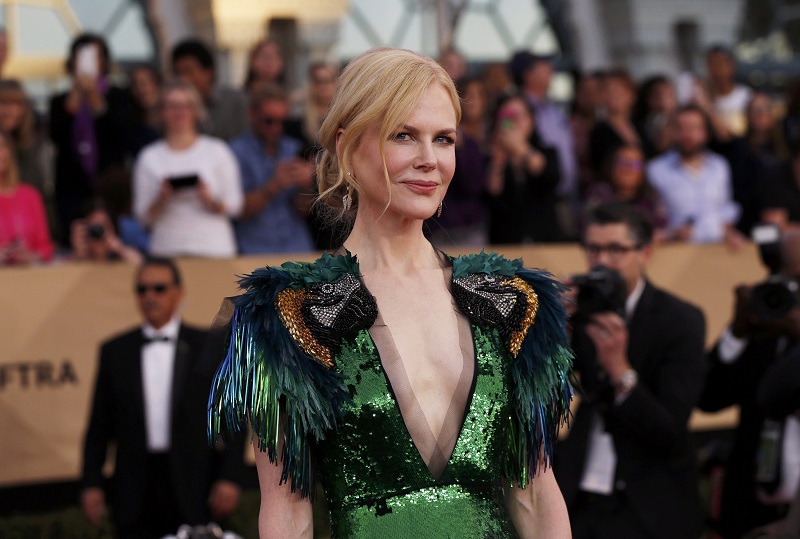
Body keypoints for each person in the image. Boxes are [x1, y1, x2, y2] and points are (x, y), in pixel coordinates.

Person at [209, 47, 573, 538]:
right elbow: (289, 512)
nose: (429, 160)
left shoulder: (510, 303)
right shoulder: (291, 314)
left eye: (443, 139)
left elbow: (535, 494)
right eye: (403, 135)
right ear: (346, 148)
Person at [555, 202, 707, 539]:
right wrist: (554, 331)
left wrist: (620, 371)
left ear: (645, 253)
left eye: (616, 250)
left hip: (648, 501)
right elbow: (545, 392)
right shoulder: (580, 308)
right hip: (579, 492)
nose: (602, 261)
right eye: (593, 249)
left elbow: (671, 430)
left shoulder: (680, 320)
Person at [81, 257, 245, 539]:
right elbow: (99, 425)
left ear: (178, 292)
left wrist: (229, 477)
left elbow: (233, 417)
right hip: (134, 487)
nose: (150, 296)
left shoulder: (208, 345)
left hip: (196, 483)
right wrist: (91, 482)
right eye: (142, 289)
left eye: (159, 288)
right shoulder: (115, 351)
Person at [699, 230, 800, 538]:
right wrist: (737, 333)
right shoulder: (764, 319)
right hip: (748, 504)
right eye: (784, 276)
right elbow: (708, 398)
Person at [132, 80, 243, 258]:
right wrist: (161, 199)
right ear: (161, 111)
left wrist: (209, 200)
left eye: (186, 106)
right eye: (172, 106)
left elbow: (235, 206)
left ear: (196, 110)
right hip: (166, 250)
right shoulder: (149, 157)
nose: (179, 112)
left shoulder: (218, 151)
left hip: (214, 250)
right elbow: (141, 216)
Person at [48, 33, 131, 241]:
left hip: (109, 184)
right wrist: (76, 95)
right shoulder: (59, 101)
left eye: (95, 56)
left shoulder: (118, 96)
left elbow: (116, 132)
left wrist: (93, 94)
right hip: (72, 187)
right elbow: (56, 135)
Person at [229, 83, 315, 254]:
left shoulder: (294, 148)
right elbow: (238, 210)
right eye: (269, 121)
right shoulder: (235, 152)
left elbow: (302, 211)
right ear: (252, 114)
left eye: (283, 122)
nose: (276, 128)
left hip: (297, 247)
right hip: (254, 250)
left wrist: (307, 186)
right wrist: (275, 185)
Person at [647, 104, 745, 247]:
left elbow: (725, 208)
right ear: (672, 131)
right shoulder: (656, 169)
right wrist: (670, 234)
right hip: (675, 251)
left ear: (705, 132)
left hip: (718, 249)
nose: (687, 134)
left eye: (694, 128)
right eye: (681, 128)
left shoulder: (719, 166)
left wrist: (729, 233)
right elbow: (652, 217)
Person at [509, 51, 578, 221]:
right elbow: (507, 138)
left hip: (565, 198)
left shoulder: (553, 109)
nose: (551, 70)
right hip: (534, 202)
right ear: (528, 75)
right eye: (544, 67)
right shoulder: (515, 108)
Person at [486, 94, 562, 244]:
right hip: (505, 242)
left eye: (518, 115)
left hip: (544, 240)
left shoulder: (547, 152)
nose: (514, 122)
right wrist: (498, 161)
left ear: (531, 121)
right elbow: (492, 195)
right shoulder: (491, 155)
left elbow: (550, 176)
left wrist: (521, 150)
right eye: (507, 116)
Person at [583, 144, 668, 239]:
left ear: (643, 171)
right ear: (611, 166)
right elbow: (589, 227)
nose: (627, 169)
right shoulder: (598, 194)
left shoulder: (651, 199)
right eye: (622, 163)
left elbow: (660, 230)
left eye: (634, 165)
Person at [171, 39, 248, 141]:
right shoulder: (171, 108)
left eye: (189, 71)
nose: (183, 79)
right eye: (178, 73)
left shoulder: (235, 102)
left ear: (209, 72)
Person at [0, 130, 53, 265]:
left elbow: (46, 247)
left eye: (2, 146)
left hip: (29, 273)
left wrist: (32, 256)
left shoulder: (30, 196)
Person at [589, 69, 640, 172]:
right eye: (610, 91)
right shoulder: (600, 131)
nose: (615, 96)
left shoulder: (640, 127)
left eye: (620, 90)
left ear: (632, 95)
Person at [70, 200, 143, 263]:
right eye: (94, 227)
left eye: (104, 226)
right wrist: (78, 255)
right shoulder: (75, 259)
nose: (99, 232)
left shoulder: (122, 258)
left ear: (114, 230)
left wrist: (119, 249)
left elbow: (140, 265)